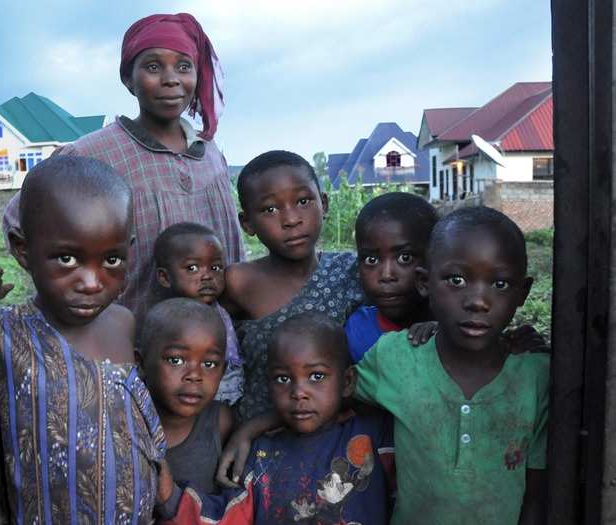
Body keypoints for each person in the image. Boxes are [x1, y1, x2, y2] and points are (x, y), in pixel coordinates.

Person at [2, 12, 244, 325]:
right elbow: (17, 217)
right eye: (153, 66)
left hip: (208, 348)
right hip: (128, 347)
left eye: (184, 66)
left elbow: (233, 250)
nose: (171, 79)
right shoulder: (92, 153)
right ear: (129, 79)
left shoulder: (210, 155)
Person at [0, 156, 166, 523]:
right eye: (67, 259)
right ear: (23, 250)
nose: (91, 282)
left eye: (112, 260)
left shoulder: (123, 323)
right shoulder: (5, 333)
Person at [355, 206, 549, 524]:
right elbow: (327, 390)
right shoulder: (396, 357)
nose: (477, 301)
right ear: (424, 283)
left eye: (499, 285)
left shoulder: (537, 377)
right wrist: (256, 426)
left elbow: (536, 494)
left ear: (522, 292)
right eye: (456, 280)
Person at [156, 313, 389, 524]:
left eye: (316, 376)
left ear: (347, 381)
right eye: (283, 379)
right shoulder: (261, 455)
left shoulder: (374, 434)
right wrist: (171, 496)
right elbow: (228, 518)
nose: (299, 392)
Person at [223, 150, 363, 423]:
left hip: (337, 442)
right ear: (247, 223)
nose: (291, 219)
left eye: (302, 201)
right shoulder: (238, 282)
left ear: (323, 203)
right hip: (258, 445)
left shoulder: (352, 271)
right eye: (270, 209)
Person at [139, 298, 233, 495]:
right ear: (140, 362)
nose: (194, 376)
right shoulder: (126, 420)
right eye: (176, 360)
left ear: (223, 371)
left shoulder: (221, 423)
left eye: (209, 364)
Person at [153, 223, 243, 405]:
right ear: (165, 277)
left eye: (216, 268)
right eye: (193, 268)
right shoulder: (168, 318)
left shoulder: (222, 308)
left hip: (234, 390)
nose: (207, 276)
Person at [345, 192, 438, 363]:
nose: (386, 275)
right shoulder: (355, 332)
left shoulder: (458, 328)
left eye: (405, 258)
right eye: (371, 260)